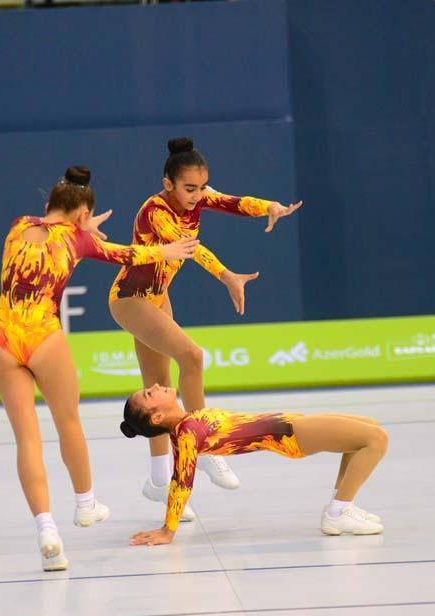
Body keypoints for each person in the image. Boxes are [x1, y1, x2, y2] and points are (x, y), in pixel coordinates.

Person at [0, 167, 199, 570]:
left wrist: (82, 224)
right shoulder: (78, 239)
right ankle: (85, 504)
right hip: (42, 337)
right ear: (84, 216)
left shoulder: (18, 226)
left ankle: (46, 528)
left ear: (50, 204)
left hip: (1, 339)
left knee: (27, 440)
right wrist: (165, 252)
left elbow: (52, 224)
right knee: (67, 422)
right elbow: (128, 254)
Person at [108, 138, 302, 522]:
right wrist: (228, 276)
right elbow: (190, 247)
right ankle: (207, 446)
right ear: (169, 184)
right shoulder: (155, 212)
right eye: (189, 189)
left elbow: (232, 202)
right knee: (192, 356)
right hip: (130, 298)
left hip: (158, 298)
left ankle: (158, 480)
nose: (197, 196)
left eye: (201, 187)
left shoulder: (199, 195)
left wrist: (270, 207)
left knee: (159, 388)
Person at [119, 384, 388, 546]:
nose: (155, 386)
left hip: (290, 422)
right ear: (157, 417)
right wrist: (168, 530)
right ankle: (339, 512)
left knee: (369, 428)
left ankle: (341, 508)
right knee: (376, 440)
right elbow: (181, 482)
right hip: (290, 433)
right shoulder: (186, 433)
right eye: (149, 394)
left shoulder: (187, 423)